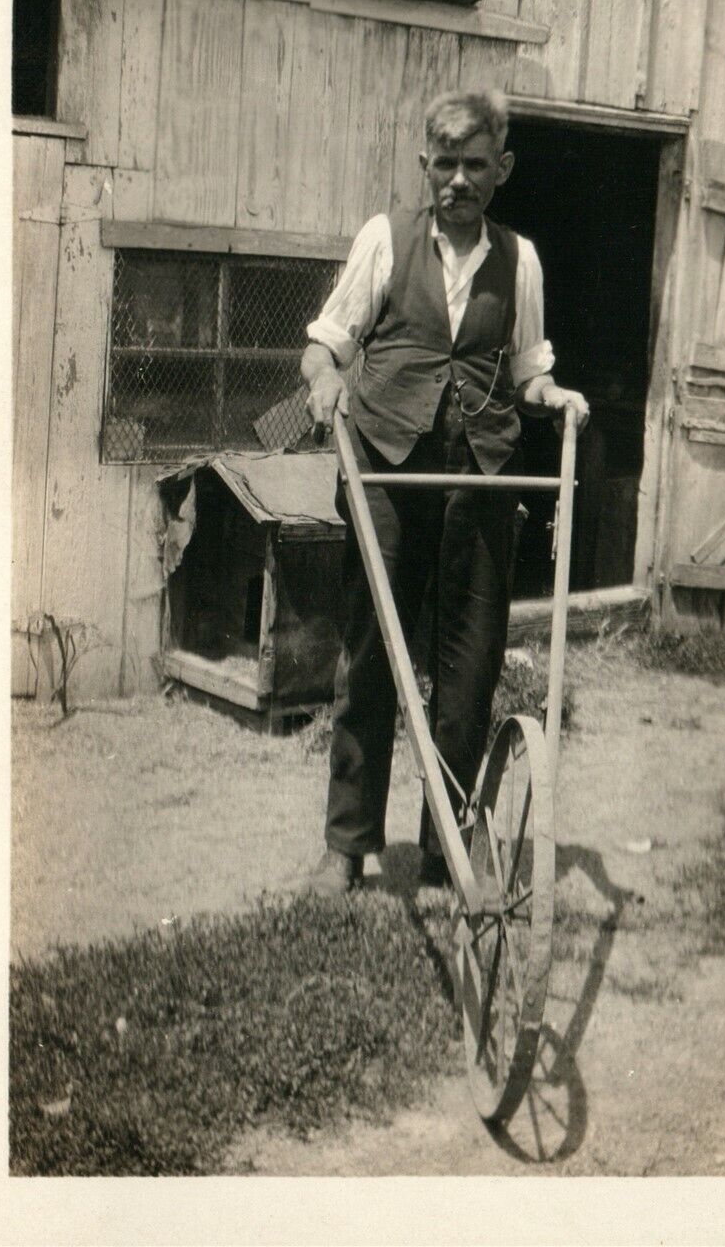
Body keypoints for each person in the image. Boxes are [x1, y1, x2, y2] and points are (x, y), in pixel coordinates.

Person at [299, 88, 588, 895]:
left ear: (502, 170)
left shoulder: (519, 259)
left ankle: (443, 846)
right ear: (424, 167)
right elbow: (326, 343)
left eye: (474, 165)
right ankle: (347, 843)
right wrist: (324, 382)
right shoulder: (384, 241)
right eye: (444, 164)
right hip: (389, 471)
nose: (457, 181)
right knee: (370, 652)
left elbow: (529, 368)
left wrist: (554, 398)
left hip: (483, 476)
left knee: (467, 664)